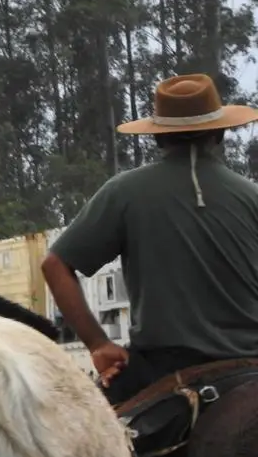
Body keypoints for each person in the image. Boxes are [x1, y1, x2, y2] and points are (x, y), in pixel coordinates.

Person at [42, 73, 258, 406]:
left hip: (164, 369)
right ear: (219, 133)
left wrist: (98, 344)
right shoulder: (252, 195)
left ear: (158, 138)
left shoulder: (125, 192)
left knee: (88, 442)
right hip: (252, 363)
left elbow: (54, 264)